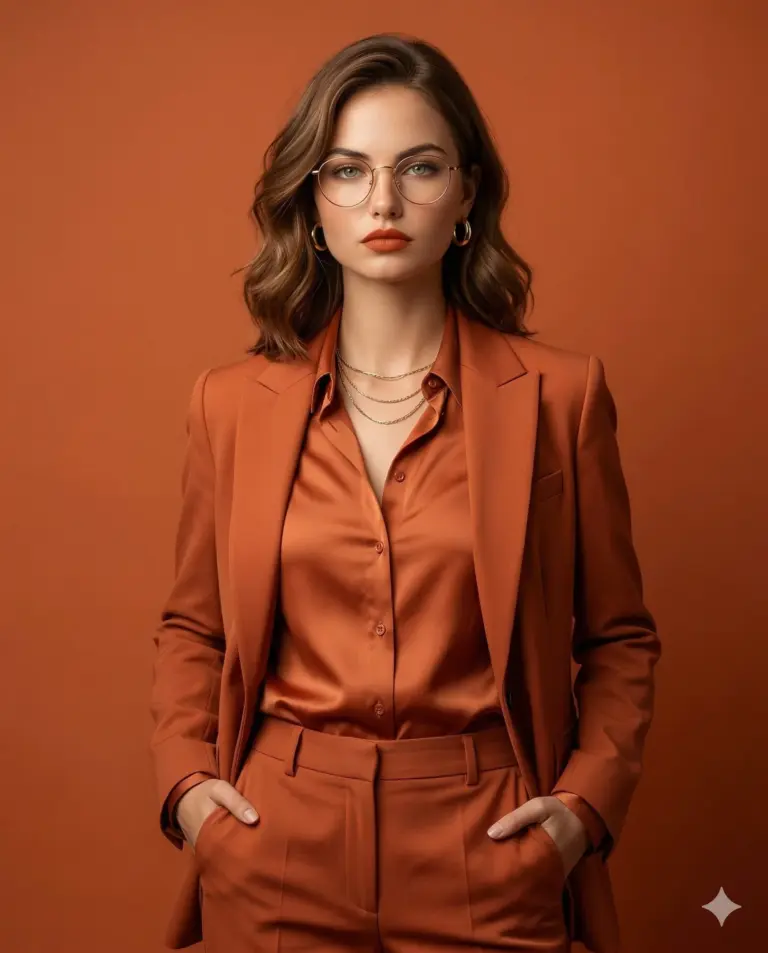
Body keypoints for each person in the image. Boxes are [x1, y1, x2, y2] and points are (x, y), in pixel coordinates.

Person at [149, 32, 661, 953]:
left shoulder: (561, 396)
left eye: (418, 167)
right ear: (312, 201)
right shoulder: (229, 405)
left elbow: (618, 636)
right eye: (347, 170)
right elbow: (195, 626)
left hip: (489, 841)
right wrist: (190, 791)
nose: (382, 200)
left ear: (466, 194)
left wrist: (580, 811)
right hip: (275, 840)